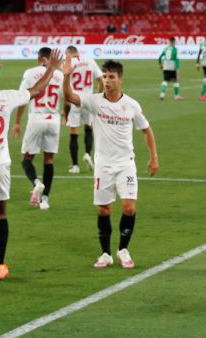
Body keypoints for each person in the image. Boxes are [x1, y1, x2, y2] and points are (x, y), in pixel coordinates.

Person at [0, 51, 62, 286]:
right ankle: (0, 266)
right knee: (0, 215)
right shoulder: (5, 96)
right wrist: (52, 69)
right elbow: (36, 90)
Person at [62, 57, 158, 269]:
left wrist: (154, 157)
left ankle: (123, 249)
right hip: (103, 165)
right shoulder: (94, 101)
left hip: (126, 164)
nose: (106, 80)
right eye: (104, 76)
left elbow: (146, 130)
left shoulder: (131, 105)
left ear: (120, 79)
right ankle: (105, 254)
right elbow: (68, 96)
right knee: (104, 210)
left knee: (129, 208)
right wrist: (67, 75)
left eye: (111, 77)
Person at [13, 47, 67, 209]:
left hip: (36, 118)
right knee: (49, 159)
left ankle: (36, 182)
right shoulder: (59, 74)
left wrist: (17, 122)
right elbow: (67, 97)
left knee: (26, 158)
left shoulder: (30, 73)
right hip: (54, 120)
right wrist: (65, 114)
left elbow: (23, 98)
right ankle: (45, 200)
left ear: (40, 58)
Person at [62, 45, 102, 176]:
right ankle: (87, 154)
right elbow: (101, 81)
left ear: (68, 53)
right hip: (89, 99)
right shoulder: (90, 61)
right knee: (88, 128)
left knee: (74, 132)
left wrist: (65, 109)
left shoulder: (68, 63)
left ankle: (75, 166)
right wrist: (98, 94)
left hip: (75, 100)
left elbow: (65, 86)